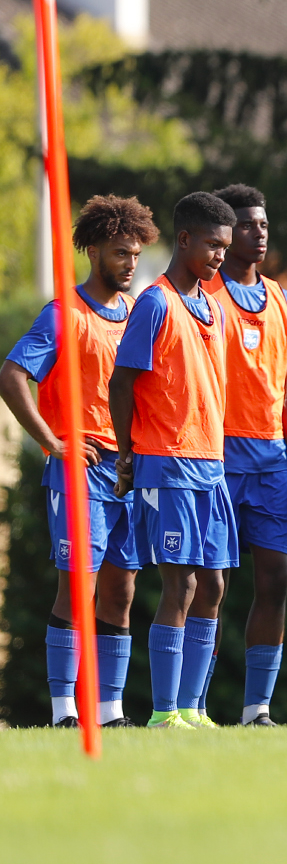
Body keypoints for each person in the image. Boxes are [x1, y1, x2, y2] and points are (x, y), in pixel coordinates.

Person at [1, 195, 158, 727]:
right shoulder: (64, 315)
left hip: (131, 469)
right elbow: (12, 375)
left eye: (136, 254)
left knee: (122, 587)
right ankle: (63, 712)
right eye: (120, 253)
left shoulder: (140, 314)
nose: (131, 264)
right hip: (80, 470)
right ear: (92, 251)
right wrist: (54, 441)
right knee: (79, 585)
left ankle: (110, 710)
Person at [181, 183, 287, 728]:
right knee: (210, 583)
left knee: (276, 578)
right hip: (214, 452)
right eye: (247, 225)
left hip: (272, 460)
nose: (258, 233)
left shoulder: (281, 299)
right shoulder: (204, 293)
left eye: (263, 224)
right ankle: (188, 704)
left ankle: (257, 709)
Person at [108, 192, 239, 729]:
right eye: (212, 244)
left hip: (211, 463)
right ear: (184, 240)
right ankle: (164, 712)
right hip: (168, 462)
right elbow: (122, 380)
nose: (220, 256)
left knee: (213, 585)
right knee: (180, 584)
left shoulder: (212, 306)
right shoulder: (156, 303)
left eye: (225, 247)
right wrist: (128, 450)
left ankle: (192, 707)